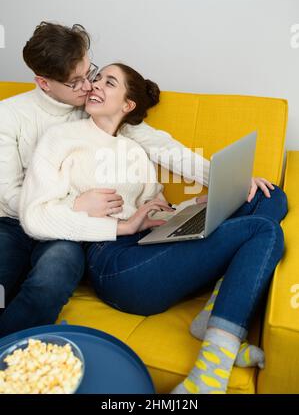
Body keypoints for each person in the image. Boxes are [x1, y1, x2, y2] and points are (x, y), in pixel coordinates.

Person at [19, 63, 287, 394]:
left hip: (150, 245)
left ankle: (214, 318)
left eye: (109, 82)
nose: (95, 85)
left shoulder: (132, 147)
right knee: (264, 231)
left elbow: (154, 205)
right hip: (114, 262)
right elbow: (35, 216)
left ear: (127, 105)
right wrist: (121, 225)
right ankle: (211, 370)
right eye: (97, 78)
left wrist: (191, 209)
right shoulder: (61, 138)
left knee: (269, 197)